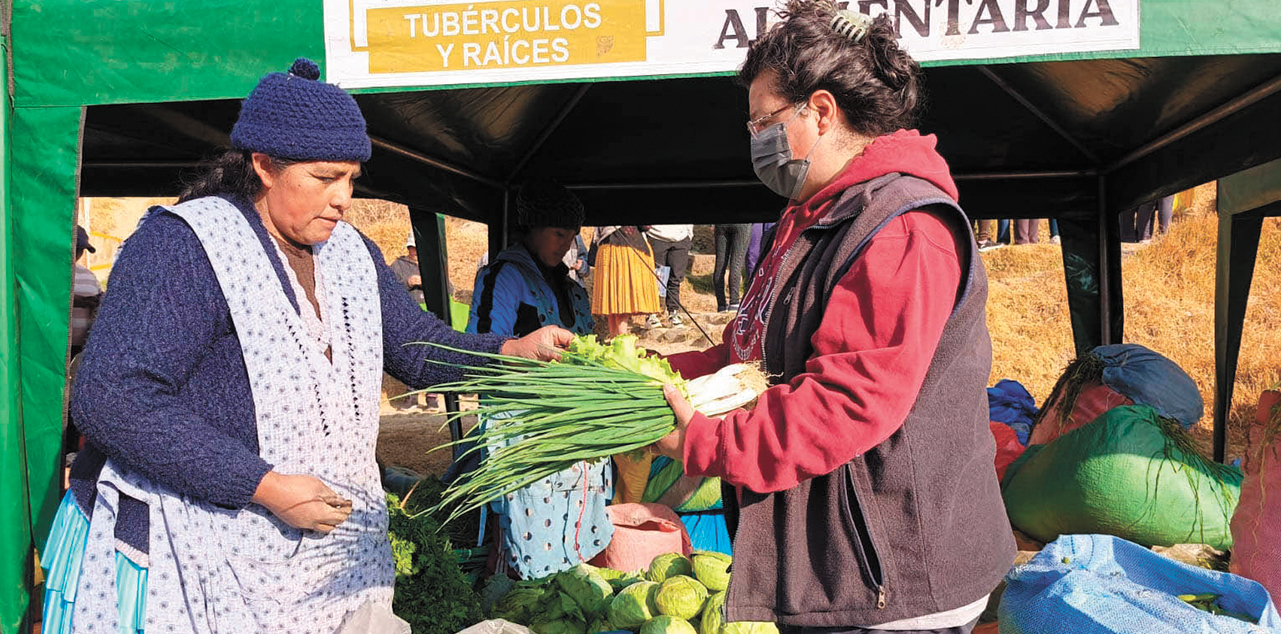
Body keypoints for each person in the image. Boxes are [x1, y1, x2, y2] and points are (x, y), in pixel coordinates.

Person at [41, 58, 571, 634]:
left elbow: (418, 347)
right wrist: (260, 485)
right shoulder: (186, 247)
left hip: (321, 557)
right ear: (264, 166)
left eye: (350, 178)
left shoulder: (351, 252)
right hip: (194, 549)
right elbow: (111, 396)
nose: (343, 198)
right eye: (323, 178)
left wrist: (510, 352)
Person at [652, 5, 1014, 633]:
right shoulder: (814, 215)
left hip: (895, 584)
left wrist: (705, 444)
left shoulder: (903, 227)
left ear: (819, 112)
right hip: (839, 568)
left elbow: (847, 400)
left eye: (763, 121)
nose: (754, 140)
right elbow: (752, 355)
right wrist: (648, 373)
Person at [467, 180, 611, 578]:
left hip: (572, 426)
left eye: (572, 236)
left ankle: (568, 583)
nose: (566, 245)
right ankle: (514, 591)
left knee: (571, 524)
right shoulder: (504, 276)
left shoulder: (570, 287)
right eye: (558, 233)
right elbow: (482, 346)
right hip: (522, 427)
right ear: (531, 227)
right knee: (522, 523)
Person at [591, 225, 662, 337]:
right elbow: (646, 226)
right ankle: (622, 341)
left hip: (607, 245)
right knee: (622, 300)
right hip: (625, 247)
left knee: (613, 302)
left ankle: (615, 339)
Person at [645, 224, 694, 326]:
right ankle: (652, 314)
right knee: (656, 277)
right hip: (655, 235)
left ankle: (674, 312)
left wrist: (689, 235)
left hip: (681, 238)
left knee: (675, 278)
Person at [69, 225, 103, 358]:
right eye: (75, 249)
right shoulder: (49, 274)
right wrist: (81, 301)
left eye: (80, 250)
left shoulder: (89, 275)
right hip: (55, 345)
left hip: (82, 348)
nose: (77, 254)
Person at [712, 223, 750, 312]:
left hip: (721, 223)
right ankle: (734, 302)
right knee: (736, 264)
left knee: (720, 265)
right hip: (742, 224)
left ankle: (721, 305)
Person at [389, 232, 425, 305]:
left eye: (420, 247)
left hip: (430, 311)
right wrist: (407, 283)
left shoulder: (433, 266)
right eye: (413, 248)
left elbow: (449, 289)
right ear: (409, 248)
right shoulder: (397, 265)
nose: (416, 250)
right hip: (406, 309)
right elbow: (388, 288)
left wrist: (428, 284)